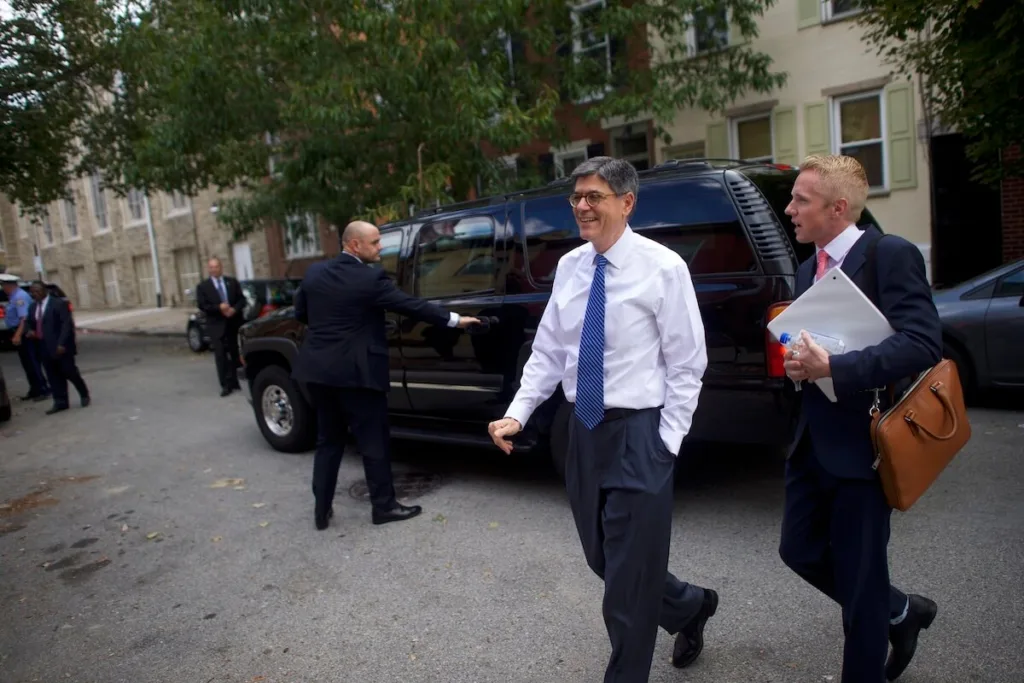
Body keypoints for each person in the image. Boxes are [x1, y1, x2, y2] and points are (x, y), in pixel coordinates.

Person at [487, 157, 718, 683]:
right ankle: (688, 606)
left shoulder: (664, 268)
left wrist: (667, 442)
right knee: (605, 561)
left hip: (640, 433)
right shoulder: (571, 267)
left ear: (626, 202)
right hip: (582, 430)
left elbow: (688, 363)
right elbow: (548, 352)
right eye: (577, 198)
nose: (582, 206)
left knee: (626, 591)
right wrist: (517, 413)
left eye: (594, 196)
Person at [779, 154, 941, 683]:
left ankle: (877, 628)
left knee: (860, 580)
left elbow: (922, 343)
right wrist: (801, 366)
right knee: (799, 550)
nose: (790, 209)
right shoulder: (808, 268)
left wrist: (839, 368)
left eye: (801, 200)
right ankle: (900, 609)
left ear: (838, 207)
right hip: (812, 440)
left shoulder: (888, 254)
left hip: (867, 445)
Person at [292, 220, 480, 530]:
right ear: (355, 245)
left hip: (320, 373)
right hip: (359, 374)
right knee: (373, 442)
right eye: (375, 242)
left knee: (328, 441)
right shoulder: (369, 279)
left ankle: (321, 510)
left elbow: (302, 313)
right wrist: (456, 320)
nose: (381, 247)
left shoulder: (314, 273)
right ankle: (384, 507)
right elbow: (411, 306)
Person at [24, 281, 90, 414]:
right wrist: (29, 330)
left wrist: (62, 344)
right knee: (52, 375)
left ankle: (84, 394)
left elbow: (66, 325)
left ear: (45, 291)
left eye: (37, 291)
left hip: (60, 346)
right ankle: (60, 401)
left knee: (69, 371)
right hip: (43, 345)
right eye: (32, 292)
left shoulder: (58, 304)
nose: (34, 294)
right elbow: (28, 323)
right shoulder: (32, 307)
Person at [195, 257, 246, 397]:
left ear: (221, 267)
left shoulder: (232, 282)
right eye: (211, 267)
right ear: (208, 269)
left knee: (235, 353)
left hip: (233, 323)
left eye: (216, 267)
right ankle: (225, 385)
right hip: (216, 326)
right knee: (221, 355)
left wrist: (234, 309)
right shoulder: (203, 287)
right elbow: (202, 305)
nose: (214, 269)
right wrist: (219, 307)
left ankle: (237, 381)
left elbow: (242, 300)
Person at [1, 274, 50, 402]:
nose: (3, 288)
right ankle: (34, 389)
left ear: (10, 285)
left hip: (24, 333)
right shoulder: (13, 297)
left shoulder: (20, 297)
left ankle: (42, 389)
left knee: (32, 362)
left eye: (3, 285)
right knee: (27, 363)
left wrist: (17, 335)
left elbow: (24, 318)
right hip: (18, 331)